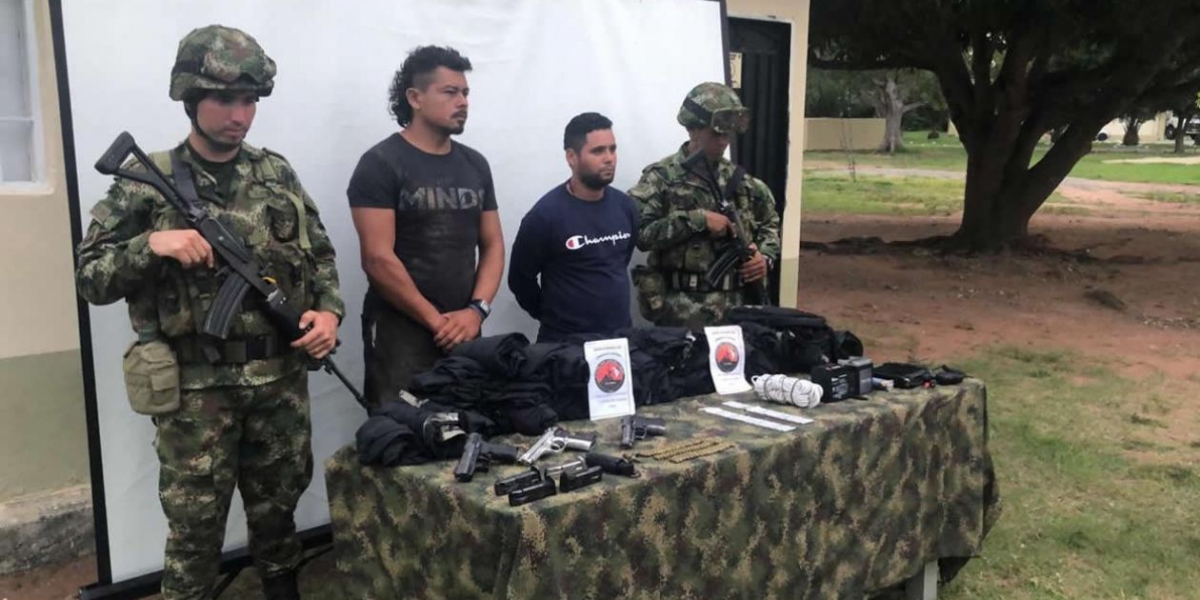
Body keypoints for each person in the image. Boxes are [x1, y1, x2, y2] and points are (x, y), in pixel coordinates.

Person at [75, 25, 343, 600]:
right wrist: (150, 246)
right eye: (224, 99)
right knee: (195, 531)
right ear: (190, 99)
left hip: (278, 381)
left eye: (249, 101)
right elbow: (90, 278)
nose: (239, 114)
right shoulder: (145, 184)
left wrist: (329, 315)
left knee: (279, 515)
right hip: (197, 391)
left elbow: (320, 256)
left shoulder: (276, 174)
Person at [348, 45, 504, 408]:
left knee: (468, 435)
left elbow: (493, 244)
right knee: (402, 441)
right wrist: (437, 322)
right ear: (415, 98)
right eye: (450, 92)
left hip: (465, 328)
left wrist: (476, 311)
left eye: (465, 92)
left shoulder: (475, 165)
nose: (462, 101)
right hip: (402, 336)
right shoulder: (380, 164)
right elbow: (377, 258)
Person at [628, 82, 781, 329]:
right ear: (693, 129)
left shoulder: (744, 183)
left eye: (728, 134)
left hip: (737, 313)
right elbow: (640, 234)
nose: (723, 141)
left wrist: (765, 257)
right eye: (716, 133)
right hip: (681, 313)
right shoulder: (661, 179)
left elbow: (769, 224)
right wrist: (696, 220)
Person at [508, 112, 638, 341]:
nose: (609, 158)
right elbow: (520, 280)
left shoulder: (625, 207)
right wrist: (553, 318)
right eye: (598, 151)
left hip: (617, 344)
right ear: (571, 157)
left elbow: (619, 260)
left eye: (612, 149)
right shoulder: (545, 216)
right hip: (564, 347)